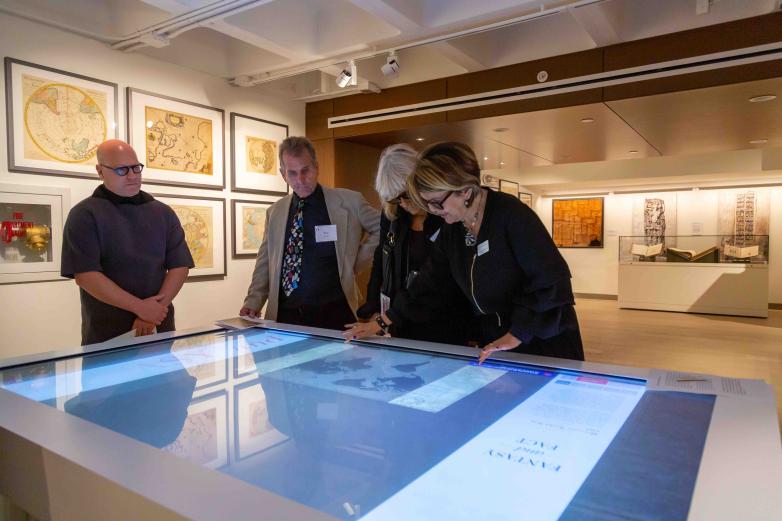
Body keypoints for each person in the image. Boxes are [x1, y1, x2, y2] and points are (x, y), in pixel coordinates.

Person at [344, 142, 584, 363]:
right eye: (427, 203)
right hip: (496, 343)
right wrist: (383, 320)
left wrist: (517, 333)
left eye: (437, 203)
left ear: (465, 191)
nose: (433, 211)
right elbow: (428, 282)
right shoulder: (454, 229)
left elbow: (552, 284)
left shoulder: (512, 216)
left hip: (540, 342)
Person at [61, 139, 193, 345]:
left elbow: (180, 266)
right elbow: (86, 276)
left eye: (136, 168)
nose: (132, 176)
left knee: (161, 367)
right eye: (121, 170)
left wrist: (152, 313)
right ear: (100, 171)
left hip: (158, 325)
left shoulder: (163, 213)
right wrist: (141, 308)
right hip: (107, 331)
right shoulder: (84, 214)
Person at [239, 136, 380, 330]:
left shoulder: (350, 202)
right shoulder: (275, 212)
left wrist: (354, 261)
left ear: (316, 167)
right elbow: (265, 261)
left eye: (306, 170)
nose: (300, 180)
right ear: (283, 174)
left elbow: (384, 228)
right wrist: (253, 301)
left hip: (335, 315)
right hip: (286, 317)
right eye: (292, 173)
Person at [352, 144, 475, 345]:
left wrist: (387, 318)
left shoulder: (447, 217)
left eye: (406, 195)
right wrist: (373, 306)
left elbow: (436, 277)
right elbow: (381, 259)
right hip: (400, 320)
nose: (403, 203)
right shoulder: (393, 215)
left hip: (443, 322)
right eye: (396, 199)